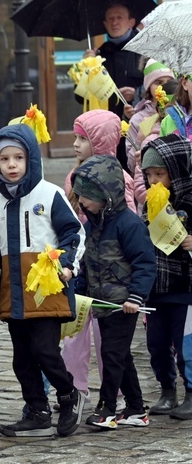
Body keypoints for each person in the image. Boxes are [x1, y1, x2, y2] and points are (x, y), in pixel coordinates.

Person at [0, 124, 87, 437]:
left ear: (31, 159)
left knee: (45, 350)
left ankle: (68, 396)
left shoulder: (50, 194)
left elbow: (74, 233)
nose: (11, 165)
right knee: (22, 358)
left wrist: (67, 264)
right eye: (4, 160)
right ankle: (37, 409)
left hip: (47, 289)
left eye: (18, 158)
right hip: (14, 292)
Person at [58, 110, 138, 411]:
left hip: (110, 273)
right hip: (81, 267)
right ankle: (75, 387)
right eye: (75, 137)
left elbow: (126, 223)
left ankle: (113, 391)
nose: (76, 144)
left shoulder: (121, 180)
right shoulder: (72, 176)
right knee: (74, 333)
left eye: (83, 138)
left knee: (108, 341)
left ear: (101, 142)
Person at [70, 155, 156, 429]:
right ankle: (135, 407)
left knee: (112, 355)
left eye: (87, 196)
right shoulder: (90, 227)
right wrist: (79, 295)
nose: (81, 202)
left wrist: (135, 297)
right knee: (120, 355)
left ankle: (108, 408)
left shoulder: (129, 225)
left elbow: (145, 264)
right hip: (101, 304)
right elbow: (85, 265)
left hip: (123, 305)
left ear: (106, 195)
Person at [139, 134, 192, 419]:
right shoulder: (149, 203)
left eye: (160, 174)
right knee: (157, 343)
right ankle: (167, 390)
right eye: (148, 175)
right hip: (156, 287)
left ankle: (191, 392)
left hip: (186, 286)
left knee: (186, 345)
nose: (153, 181)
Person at [79, 3, 143, 169]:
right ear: (105, 24)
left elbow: (158, 87)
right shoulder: (99, 55)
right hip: (107, 130)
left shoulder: (143, 49)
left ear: (131, 22)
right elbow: (80, 97)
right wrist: (87, 66)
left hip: (138, 125)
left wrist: (136, 94)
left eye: (119, 17)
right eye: (110, 19)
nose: (115, 22)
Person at [133, 79, 179, 206]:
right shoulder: (150, 142)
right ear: (160, 111)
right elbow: (140, 186)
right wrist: (159, 199)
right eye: (172, 109)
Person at [126, 59, 174, 174]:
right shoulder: (137, 119)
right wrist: (140, 139)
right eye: (158, 82)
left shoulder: (183, 112)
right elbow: (131, 165)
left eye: (169, 81)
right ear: (148, 86)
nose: (164, 86)